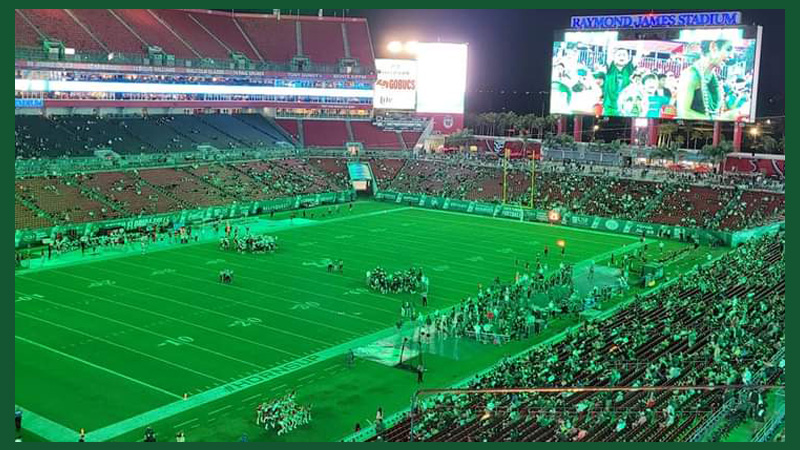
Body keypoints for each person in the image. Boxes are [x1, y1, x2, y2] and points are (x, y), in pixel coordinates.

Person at [677, 40, 736, 120]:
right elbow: (683, 113)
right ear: (713, 47)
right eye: (728, 49)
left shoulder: (714, 77)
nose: (731, 56)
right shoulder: (691, 74)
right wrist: (719, 119)